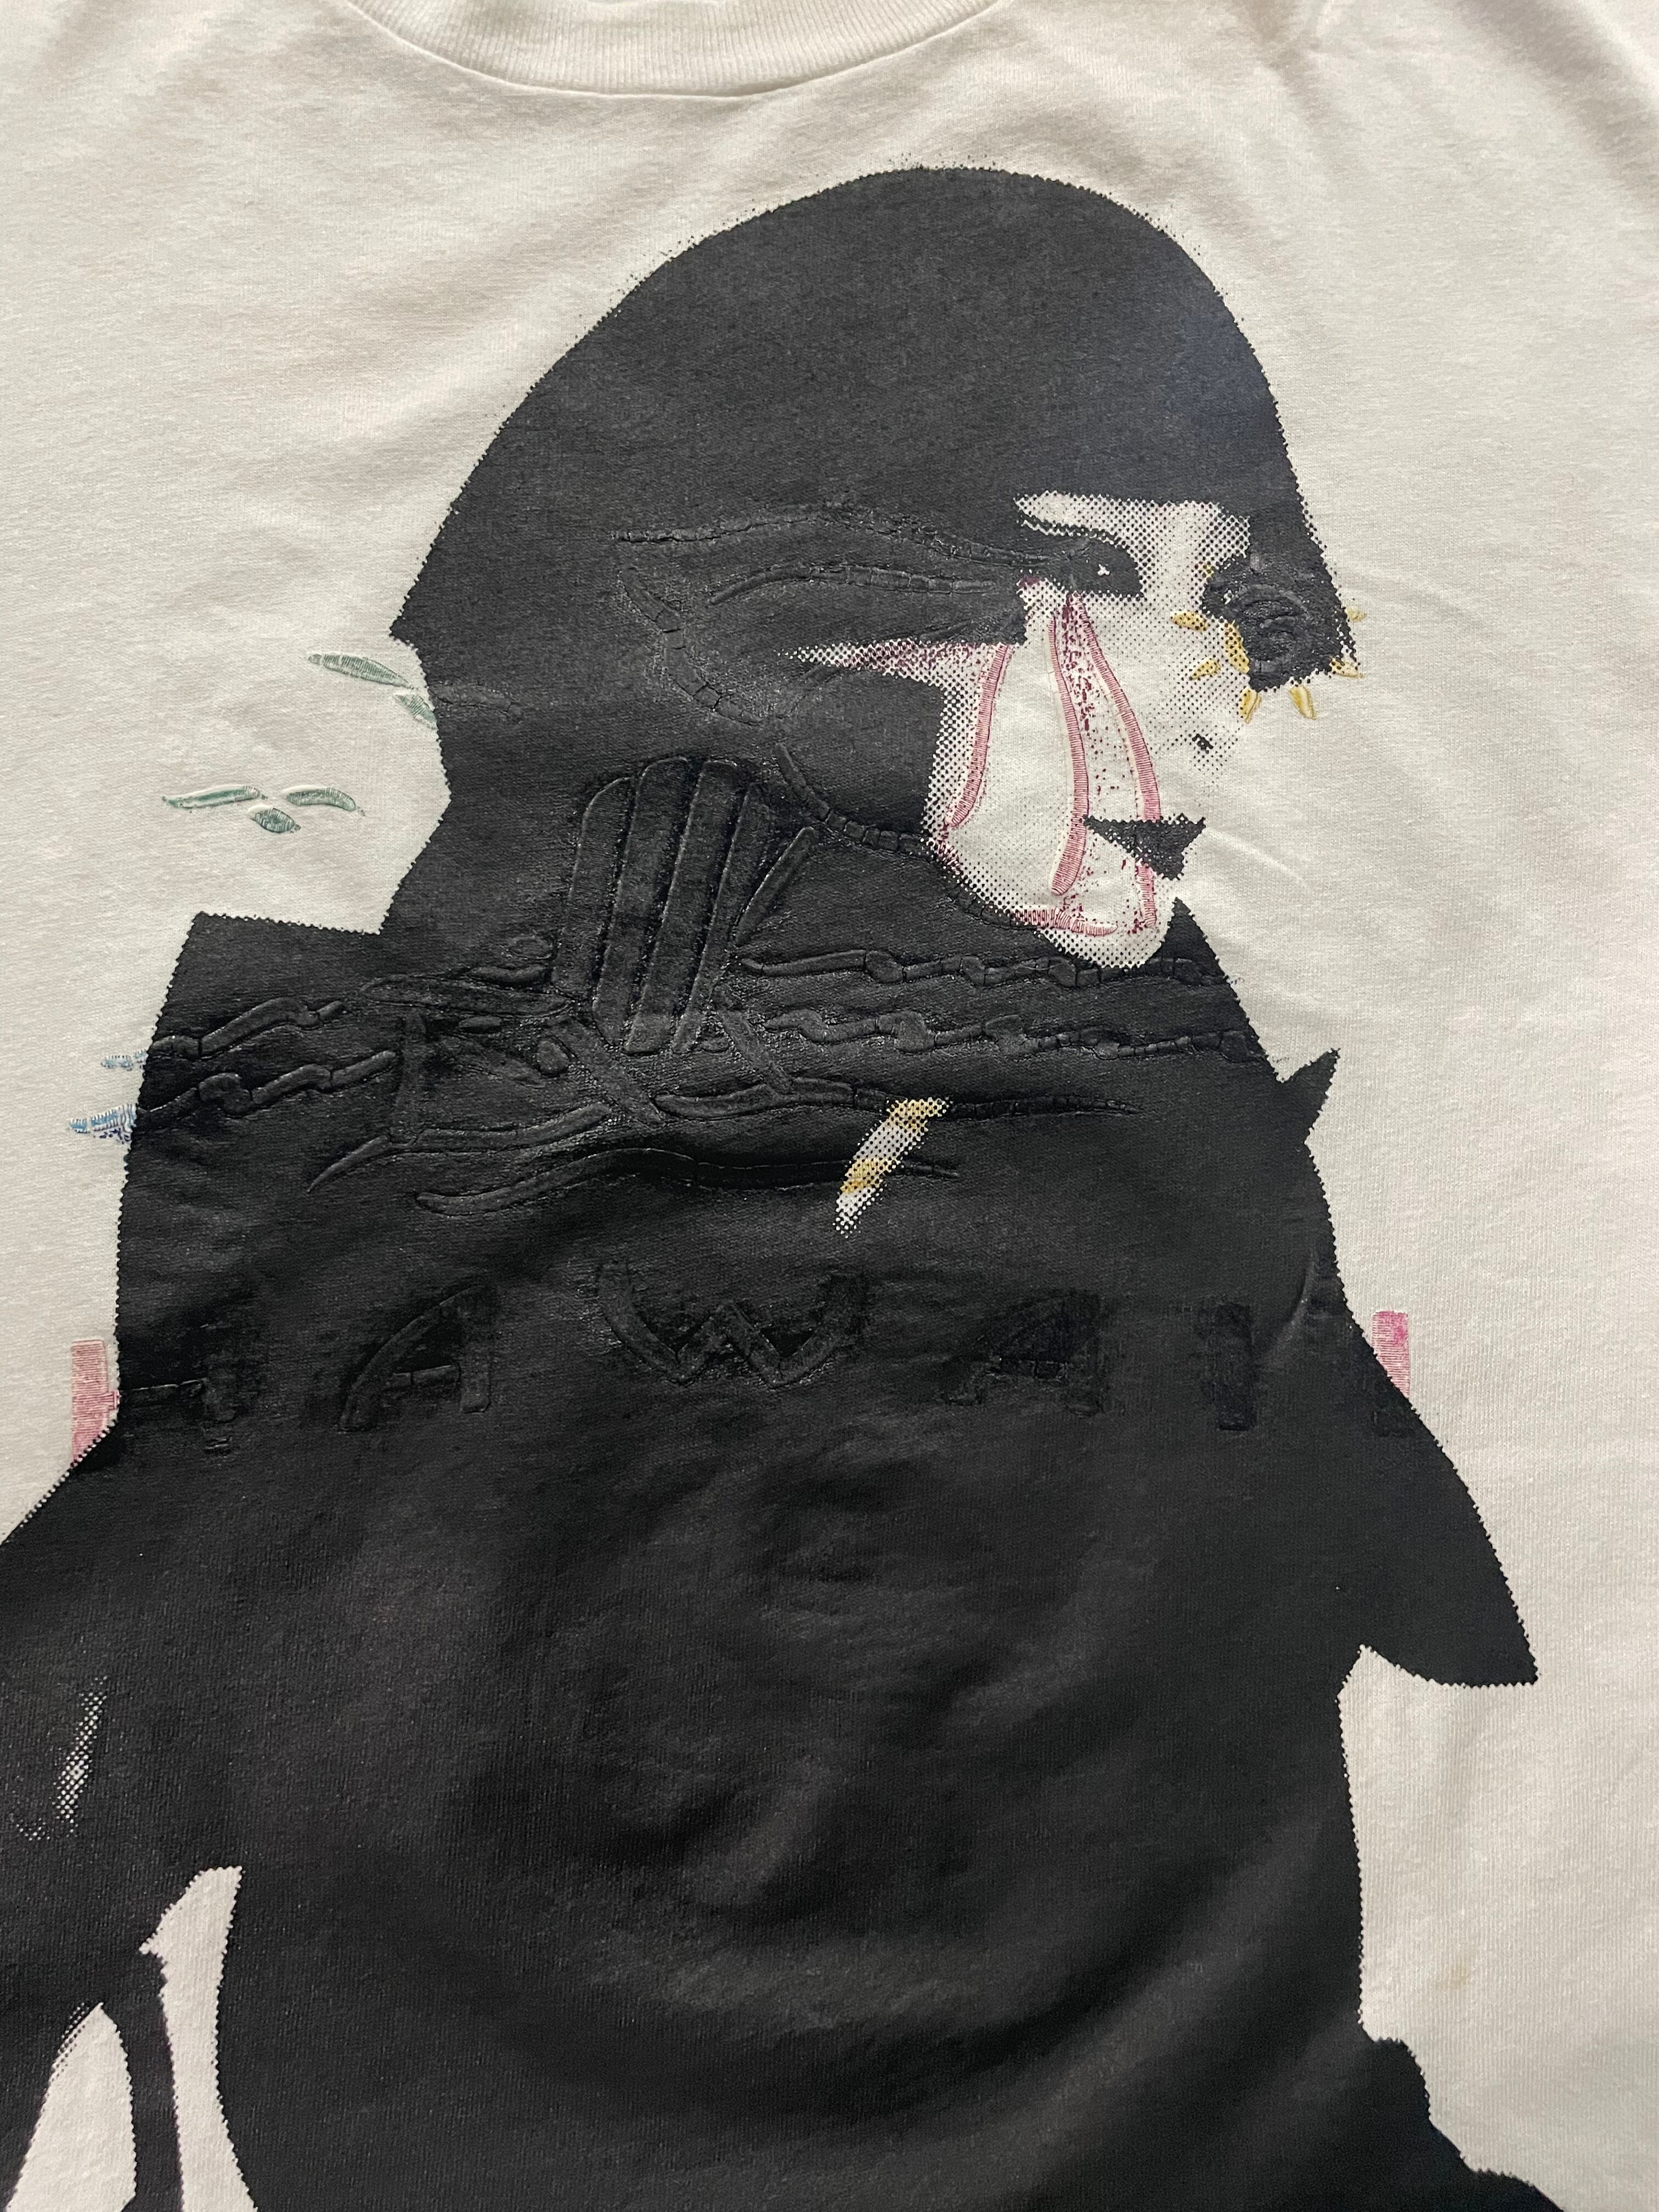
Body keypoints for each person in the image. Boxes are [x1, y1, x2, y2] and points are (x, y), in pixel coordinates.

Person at [0, 169, 1559, 2211]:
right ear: (786, 612)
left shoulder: (1179, 1147)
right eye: (1090, 572)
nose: (1211, 688)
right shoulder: (405, 1138)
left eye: (1230, 600)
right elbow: (87, 1767)